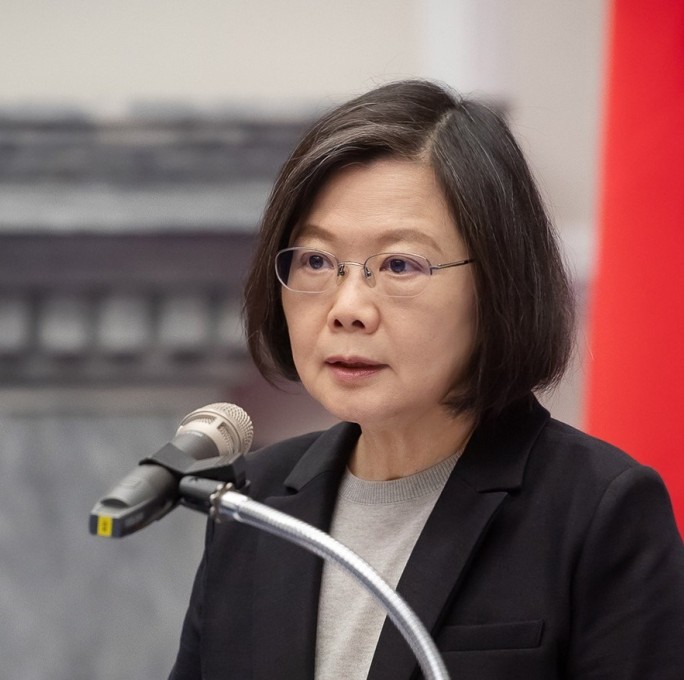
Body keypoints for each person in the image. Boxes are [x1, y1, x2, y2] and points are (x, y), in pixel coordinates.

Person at [168, 79, 684, 679]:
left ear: (495, 285)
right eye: (315, 260)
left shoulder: (596, 509)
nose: (348, 306)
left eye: (399, 264)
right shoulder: (252, 501)